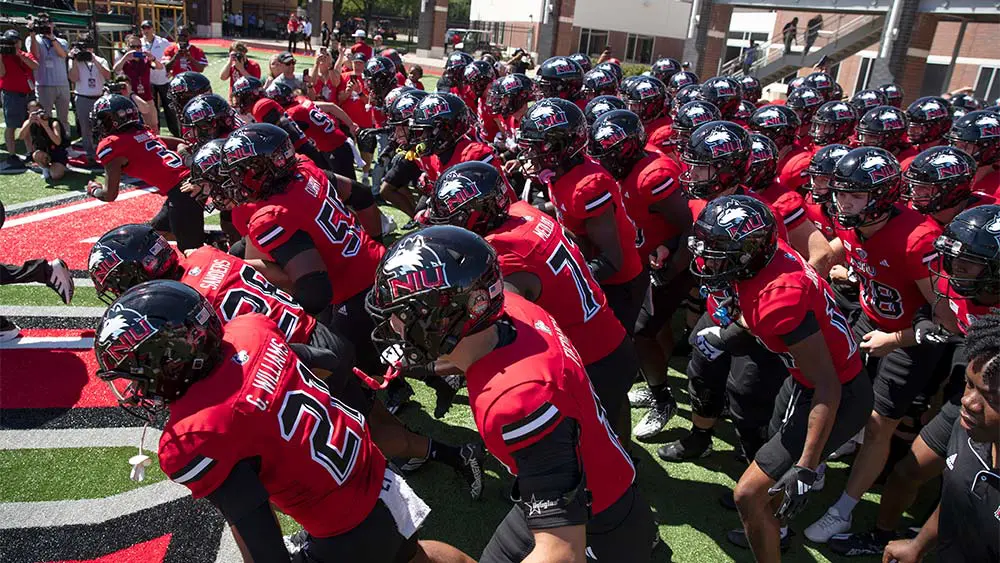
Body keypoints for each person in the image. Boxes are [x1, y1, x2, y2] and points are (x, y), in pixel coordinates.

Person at [93, 280, 478, 563]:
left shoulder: (196, 434)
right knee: (414, 559)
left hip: (344, 525)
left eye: (137, 371)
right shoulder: (250, 331)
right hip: (372, 470)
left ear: (173, 358)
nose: (135, 386)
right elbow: (324, 362)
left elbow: (263, 547)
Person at [367, 226, 659, 562]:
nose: (392, 326)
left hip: (599, 522)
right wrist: (428, 367)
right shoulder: (512, 312)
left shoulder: (518, 401)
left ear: (446, 316)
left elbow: (563, 552)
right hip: (575, 482)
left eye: (402, 314)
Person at [804, 147, 946, 544]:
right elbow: (830, 253)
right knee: (838, 389)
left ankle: (844, 510)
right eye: (840, 193)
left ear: (881, 197)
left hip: (911, 338)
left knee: (878, 425)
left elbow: (947, 320)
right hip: (869, 319)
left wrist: (895, 339)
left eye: (854, 196)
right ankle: (819, 462)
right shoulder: (853, 224)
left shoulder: (918, 239)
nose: (843, 203)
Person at [881, 315, 1000, 563]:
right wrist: (918, 546)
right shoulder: (967, 429)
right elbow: (959, 495)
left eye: (990, 398)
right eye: (969, 384)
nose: (968, 402)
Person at [86, 94, 205, 251]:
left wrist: (94, 190)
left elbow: (109, 194)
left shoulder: (113, 145)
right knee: (157, 232)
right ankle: (209, 238)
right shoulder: (143, 133)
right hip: (189, 183)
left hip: (183, 191)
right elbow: (180, 142)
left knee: (192, 252)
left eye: (102, 119)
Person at [68, 35, 110, 166]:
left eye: (88, 47)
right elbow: (73, 78)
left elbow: (108, 75)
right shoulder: (76, 61)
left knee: (103, 127)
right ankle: (90, 154)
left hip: (99, 97)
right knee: (85, 128)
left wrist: (94, 59)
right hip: (83, 97)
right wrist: (74, 60)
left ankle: (105, 151)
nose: (86, 50)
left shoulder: (101, 60)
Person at [0, 28, 37, 172]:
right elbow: (2, 73)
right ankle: (12, 154)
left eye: (16, 41)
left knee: (28, 124)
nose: (14, 44)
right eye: (11, 42)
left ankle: (30, 152)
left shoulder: (24, 54)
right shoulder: (4, 57)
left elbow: (35, 66)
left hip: (28, 94)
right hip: (12, 94)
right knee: (12, 125)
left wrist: (19, 54)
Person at [25, 14, 70, 129]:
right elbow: (35, 55)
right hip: (44, 84)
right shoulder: (32, 39)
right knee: (45, 118)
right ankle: (48, 145)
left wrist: (52, 38)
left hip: (62, 84)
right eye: (43, 24)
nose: (46, 26)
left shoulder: (61, 41)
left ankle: (65, 144)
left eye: (48, 23)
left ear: (52, 24)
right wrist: (32, 33)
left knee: (63, 119)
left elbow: (63, 54)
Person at [139, 20, 177, 137]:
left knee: (169, 107)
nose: (146, 31)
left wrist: (172, 70)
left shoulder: (163, 42)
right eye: (144, 28)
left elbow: (173, 55)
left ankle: (176, 132)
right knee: (153, 108)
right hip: (148, 80)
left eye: (148, 28)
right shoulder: (139, 43)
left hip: (162, 79)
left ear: (153, 29)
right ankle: (156, 134)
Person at [19, 101, 69, 181]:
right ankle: (45, 168)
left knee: (56, 175)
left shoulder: (53, 123)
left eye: (38, 111)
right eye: (33, 112)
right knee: (36, 154)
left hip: (58, 153)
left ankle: (57, 167)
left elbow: (57, 142)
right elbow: (21, 137)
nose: (36, 115)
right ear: (29, 113)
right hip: (43, 152)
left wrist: (45, 126)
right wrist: (29, 122)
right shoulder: (29, 122)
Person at [115, 33, 161, 106]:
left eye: (138, 47)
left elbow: (160, 67)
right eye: (133, 47)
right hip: (131, 98)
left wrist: (153, 58)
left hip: (147, 97)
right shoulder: (126, 61)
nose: (136, 49)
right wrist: (125, 57)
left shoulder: (146, 59)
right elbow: (116, 70)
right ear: (127, 47)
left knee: (152, 116)